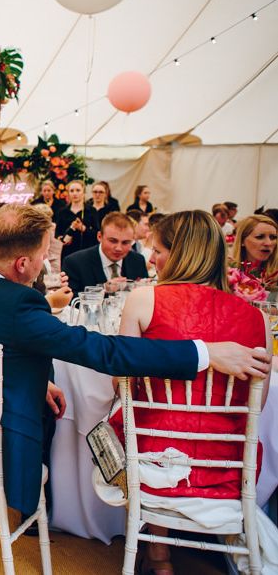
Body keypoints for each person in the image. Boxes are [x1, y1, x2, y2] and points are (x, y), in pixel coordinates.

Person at [0, 204, 269, 519]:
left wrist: (41, 382)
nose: (46, 264)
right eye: (43, 256)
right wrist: (205, 353)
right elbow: (106, 352)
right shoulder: (20, 304)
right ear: (22, 264)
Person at [110, 210, 272, 573]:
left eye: (158, 251)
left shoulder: (143, 299)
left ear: (182, 254)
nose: (151, 259)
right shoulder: (258, 318)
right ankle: (167, 553)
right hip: (226, 470)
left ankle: (158, 555)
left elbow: (120, 385)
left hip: (151, 463)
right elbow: (256, 404)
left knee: (137, 421)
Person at [62, 211, 148, 296]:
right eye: (113, 241)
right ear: (99, 237)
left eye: (125, 243)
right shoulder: (75, 262)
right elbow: (68, 299)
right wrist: (103, 290)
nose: (118, 248)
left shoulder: (138, 261)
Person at [232, 214, 278, 295]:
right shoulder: (228, 273)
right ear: (242, 241)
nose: (268, 243)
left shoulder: (275, 275)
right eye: (260, 237)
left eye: (273, 237)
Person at [55, 180, 99, 260]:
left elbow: (97, 233)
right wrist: (61, 239)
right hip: (68, 253)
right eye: (72, 191)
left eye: (78, 190)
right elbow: (57, 233)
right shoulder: (62, 212)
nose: (75, 193)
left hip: (86, 251)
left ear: (83, 193)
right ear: (68, 193)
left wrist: (83, 228)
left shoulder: (91, 211)